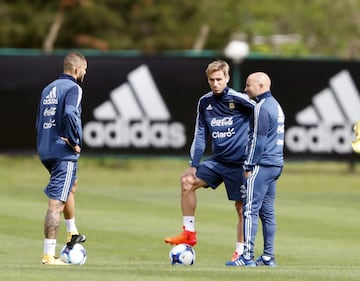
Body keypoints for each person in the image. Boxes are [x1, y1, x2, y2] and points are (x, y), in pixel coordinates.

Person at [164, 60, 256, 262]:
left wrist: (256, 154)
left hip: (240, 164)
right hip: (218, 161)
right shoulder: (205, 102)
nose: (215, 83)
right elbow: (199, 135)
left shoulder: (239, 99)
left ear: (227, 78)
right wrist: (193, 165)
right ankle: (189, 232)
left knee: (241, 208)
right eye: (212, 80)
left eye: (219, 79)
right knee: (187, 182)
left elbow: (263, 112)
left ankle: (240, 252)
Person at [226, 72, 285, 267]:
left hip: (262, 165)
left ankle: (247, 256)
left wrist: (248, 165)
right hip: (275, 164)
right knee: (267, 212)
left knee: (249, 210)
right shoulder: (276, 105)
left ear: (260, 86)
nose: (245, 89)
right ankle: (268, 257)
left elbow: (258, 142)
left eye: (249, 85)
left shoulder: (261, 107)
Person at [36, 52, 88, 265]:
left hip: (46, 148)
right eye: (85, 69)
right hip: (62, 151)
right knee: (56, 203)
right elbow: (69, 114)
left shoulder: (48, 88)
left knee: (70, 186)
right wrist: (74, 140)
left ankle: (71, 232)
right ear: (76, 69)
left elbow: (39, 119)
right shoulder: (74, 88)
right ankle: (49, 255)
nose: (85, 73)